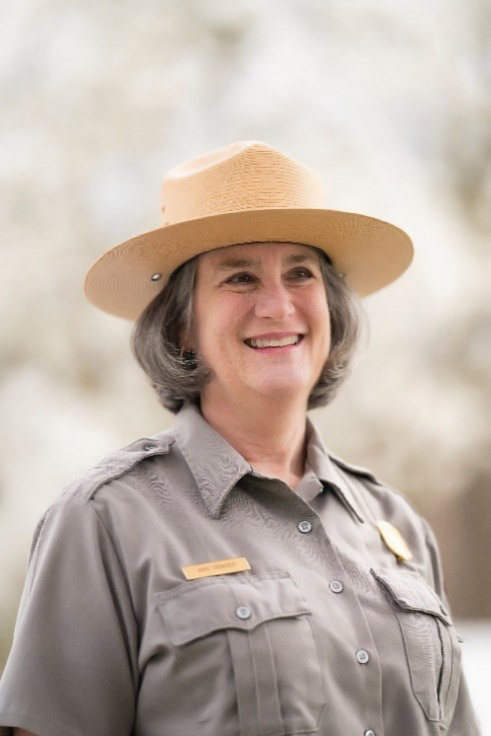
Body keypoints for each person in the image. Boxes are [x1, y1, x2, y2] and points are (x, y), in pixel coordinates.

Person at [0, 140, 481, 736]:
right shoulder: (105, 521)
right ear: (182, 324)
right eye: (240, 278)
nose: (278, 305)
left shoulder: (398, 528)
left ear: (330, 308)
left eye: (300, 273)